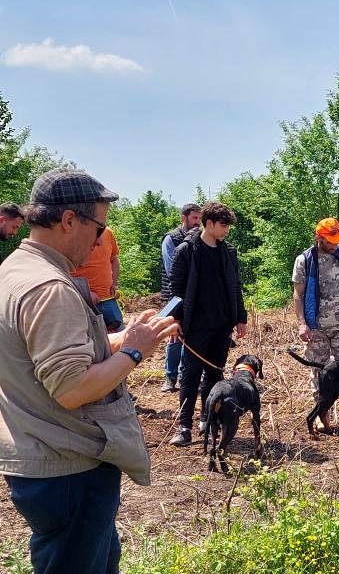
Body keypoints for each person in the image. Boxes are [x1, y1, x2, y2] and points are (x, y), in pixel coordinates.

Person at [0, 167, 176, 573]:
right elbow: (72, 387)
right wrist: (132, 354)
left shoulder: (17, 269)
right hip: (68, 466)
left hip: (42, 457)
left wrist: (122, 339)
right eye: (99, 230)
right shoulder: (50, 288)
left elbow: (44, 356)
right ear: (67, 221)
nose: (100, 243)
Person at [168, 201, 247, 447]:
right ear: (209, 223)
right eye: (223, 225)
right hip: (195, 326)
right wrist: (175, 319)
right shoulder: (186, 251)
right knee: (190, 376)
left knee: (214, 374)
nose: (226, 230)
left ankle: (207, 420)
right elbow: (175, 289)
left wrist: (240, 317)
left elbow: (235, 286)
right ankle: (184, 427)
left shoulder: (228, 252)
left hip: (222, 325)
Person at [293, 218, 339, 429]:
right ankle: (323, 416)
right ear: (318, 238)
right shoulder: (305, 260)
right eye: (330, 241)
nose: (334, 245)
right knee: (319, 372)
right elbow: (298, 294)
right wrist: (302, 324)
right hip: (316, 327)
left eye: (337, 240)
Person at [159, 203, 202, 392]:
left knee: (192, 335)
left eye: (199, 219)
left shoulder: (200, 238)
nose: (197, 223)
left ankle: (188, 374)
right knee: (175, 336)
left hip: (195, 295)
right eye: (194, 218)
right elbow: (172, 271)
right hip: (175, 295)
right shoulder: (171, 239)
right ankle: (170, 377)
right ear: (183, 218)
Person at [71, 226, 125, 332]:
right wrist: (84, 293)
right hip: (84, 301)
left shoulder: (108, 232)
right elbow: (61, 268)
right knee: (91, 338)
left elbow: (114, 260)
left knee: (120, 335)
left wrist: (114, 283)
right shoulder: (72, 233)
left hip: (108, 299)